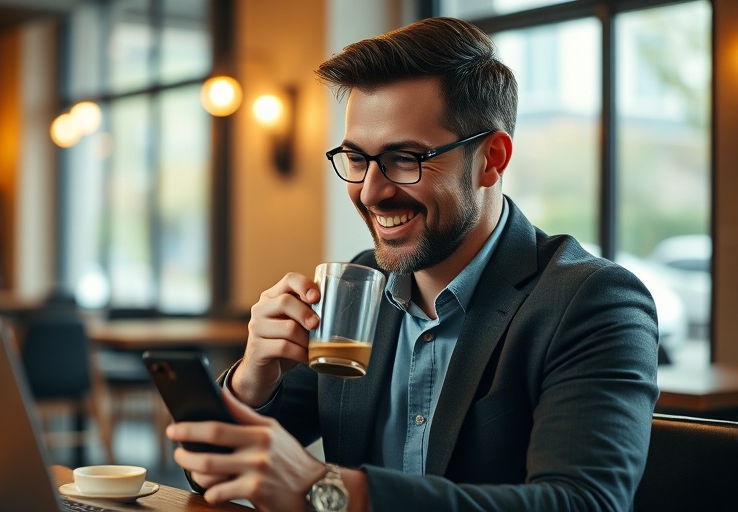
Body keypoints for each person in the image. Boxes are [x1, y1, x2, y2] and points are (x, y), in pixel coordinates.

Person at [165, 16, 659, 512]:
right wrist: (254, 378)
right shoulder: (360, 287)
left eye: (405, 158)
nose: (372, 192)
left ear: (491, 159)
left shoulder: (594, 303)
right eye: (356, 159)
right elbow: (207, 473)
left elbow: (584, 504)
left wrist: (325, 490)